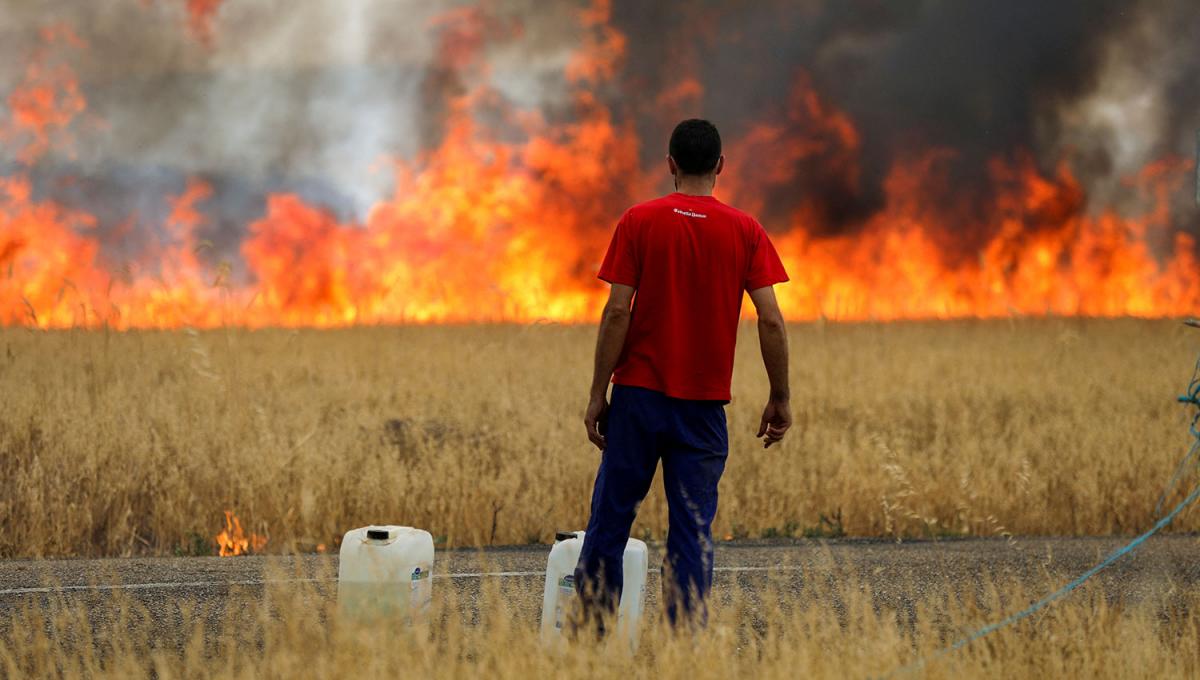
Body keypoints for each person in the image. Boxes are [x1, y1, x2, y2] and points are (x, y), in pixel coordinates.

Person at [575, 118, 792, 630]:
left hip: (637, 400)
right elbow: (772, 319)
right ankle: (684, 646)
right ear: (720, 166)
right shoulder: (746, 230)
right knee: (692, 531)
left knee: (610, 520)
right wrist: (780, 396)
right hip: (703, 409)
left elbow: (617, 312)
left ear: (669, 163)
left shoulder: (638, 221)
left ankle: (591, 642)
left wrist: (596, 393)